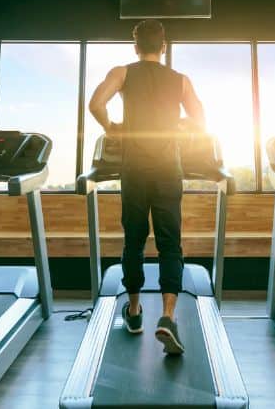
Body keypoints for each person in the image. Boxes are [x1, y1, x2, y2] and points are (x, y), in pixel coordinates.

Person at [88, 19, 205, 355]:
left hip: (135, 169)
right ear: (164, 46)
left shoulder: (121, 72)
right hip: (169, 169)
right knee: (171, 243)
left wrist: (112, 127)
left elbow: (96, 104)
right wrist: (179, 126)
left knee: (134, 241)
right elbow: (200, 120)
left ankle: (135, 312)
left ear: (135, 46)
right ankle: (167, 316)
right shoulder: (181, 81)